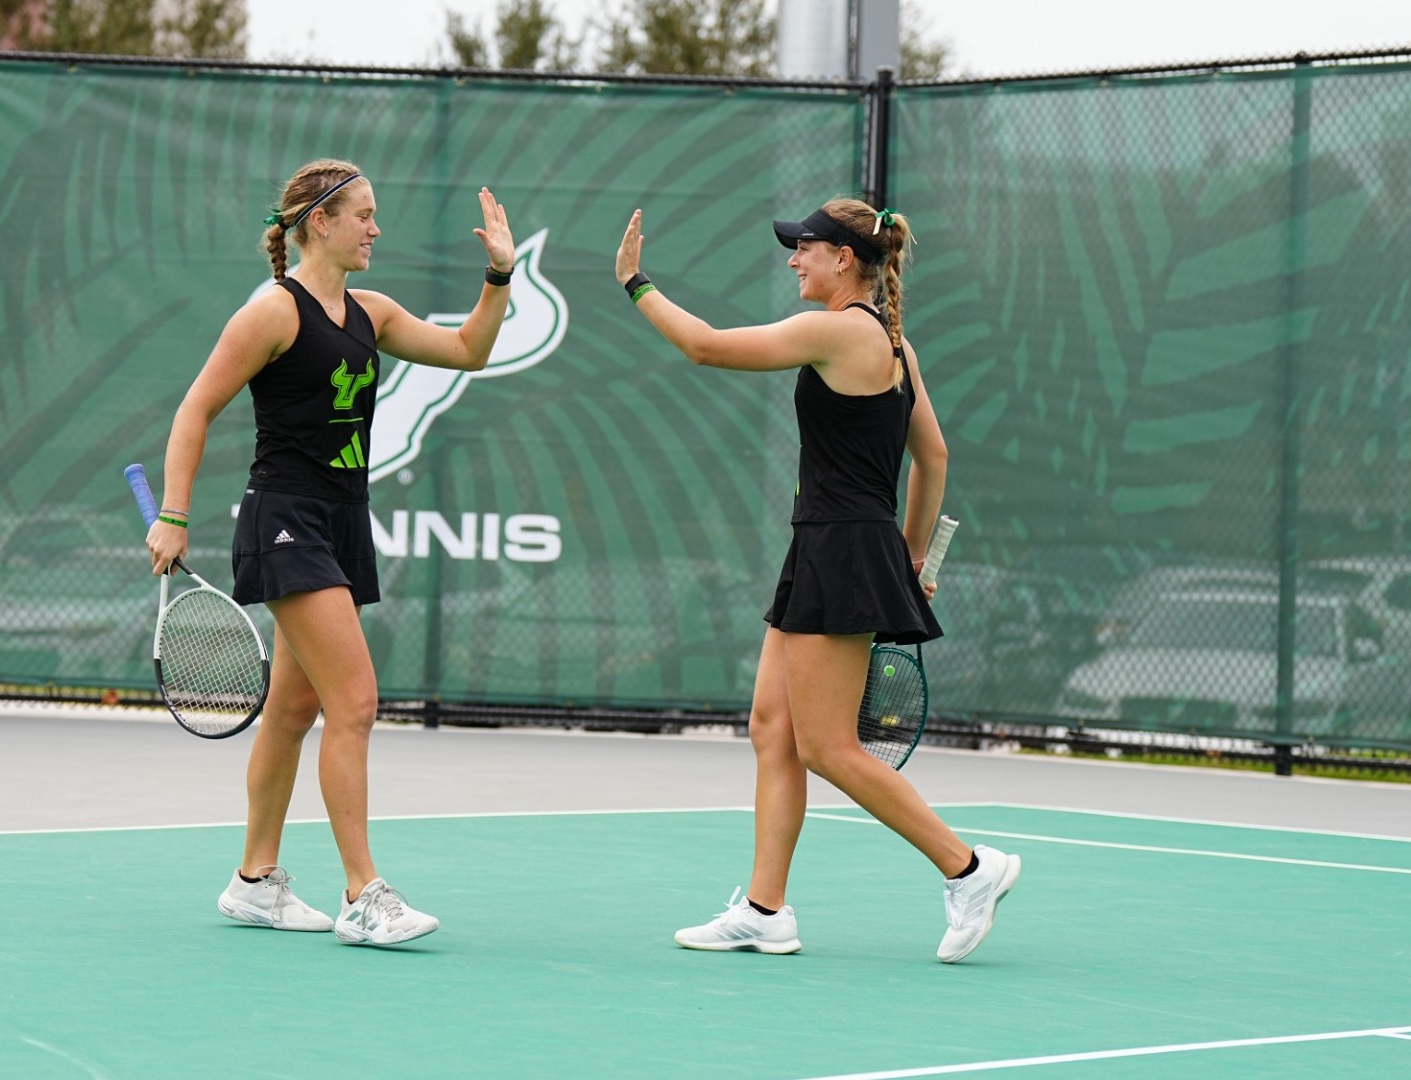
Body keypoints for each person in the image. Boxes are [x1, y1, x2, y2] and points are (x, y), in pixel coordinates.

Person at [614, 199, 1020, 962]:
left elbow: (704, 347)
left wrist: (636, 283)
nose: (794, 260)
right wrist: (905, 555)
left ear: (843, 258)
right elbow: (932, 456)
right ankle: (766, 909)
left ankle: (969, 869)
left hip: (837, 548)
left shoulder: (837, 330)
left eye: (804, 248)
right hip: (835, 545)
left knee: (829, 747)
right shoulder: (896, 344)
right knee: (772, 728)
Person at [145, 158, 517, 947]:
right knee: (355, 702)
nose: (376, 229)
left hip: (345, 517)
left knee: (293, 708)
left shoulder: (371, 312)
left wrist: (499, 274)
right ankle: (364, 894)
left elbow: (469, 353)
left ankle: (255, 880)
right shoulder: (271, 315)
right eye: (364, 215)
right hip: (285, 519)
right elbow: (195, 407)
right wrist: (173, 513)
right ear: (321, 221)